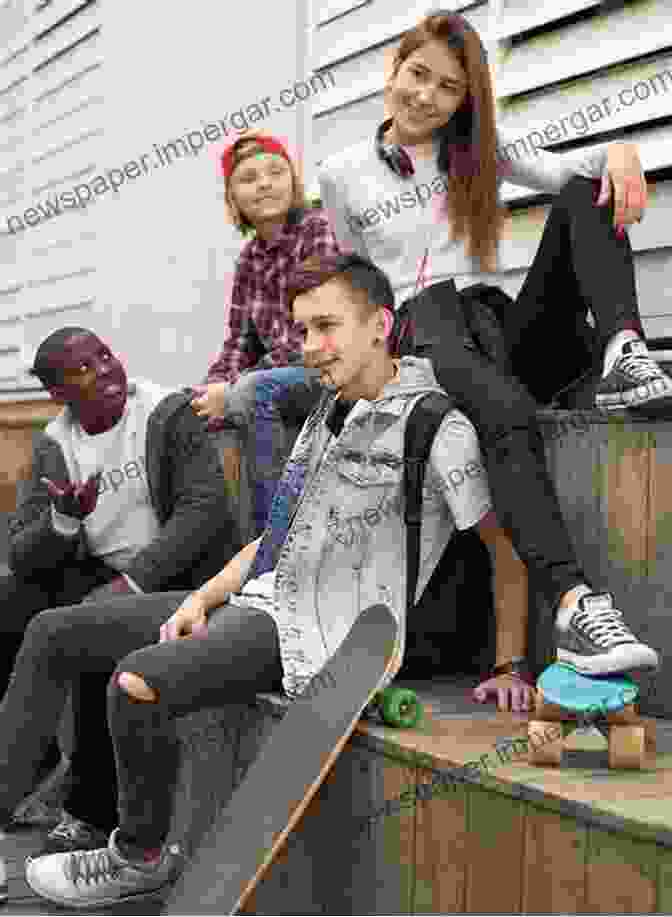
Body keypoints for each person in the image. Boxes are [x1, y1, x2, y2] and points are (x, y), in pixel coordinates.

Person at [6, 253, 539, 909]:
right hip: (263, 594)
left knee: (136, 684)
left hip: (321, 627)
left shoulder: (436, 427)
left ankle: (139, 854)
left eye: (326, 326)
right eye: (303, 331)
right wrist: (202, 598)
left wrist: (512, 662)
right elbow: (276, 537)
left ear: (380, 324)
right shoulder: (327, 413)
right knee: (54, 630)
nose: (311, 348)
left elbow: (502, 544)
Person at [316, 10, 662, 687]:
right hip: (424, 330)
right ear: (394, 69)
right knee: (490, 389)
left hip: (495, 329)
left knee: (581, 198)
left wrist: (620, 153)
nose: (426, 96)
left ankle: (625, 347)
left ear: (462, 101)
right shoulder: (340, 172)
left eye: (447, 89)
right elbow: (357, 287)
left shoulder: (477, 151)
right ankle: (573, 601)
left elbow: (575, 168)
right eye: (418, 75)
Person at [0, 326, 241, 858]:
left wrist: (130, 586)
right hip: (105, 571)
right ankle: (28, 767)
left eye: (106, 355)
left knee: (84, 628)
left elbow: (204, 510)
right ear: (60, 393)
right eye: (85, 368)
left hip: (188, 581)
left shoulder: (164, 413)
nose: (106, 369)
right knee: (12, 600)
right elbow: (23, 549)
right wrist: (63, 522)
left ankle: (90, 811)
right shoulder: (55, 445)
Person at [189, 131, 339, 536]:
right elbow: (238, 342)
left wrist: (234, 387)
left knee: (253, 392)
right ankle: (213, 551)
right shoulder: (249, 259)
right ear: (233, 197)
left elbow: (315, 331)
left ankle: (269, 545)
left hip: (328, 368)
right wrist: (212, 388)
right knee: (190, 408)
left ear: (293, 181)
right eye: (249, 178)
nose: (265, 183)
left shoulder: (317, 230)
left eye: (276, 171)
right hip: (282, 374)